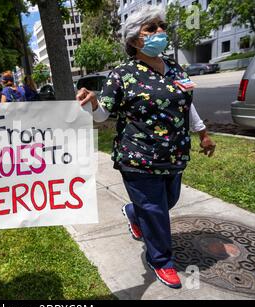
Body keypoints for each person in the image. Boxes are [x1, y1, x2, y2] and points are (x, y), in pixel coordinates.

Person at [76, 5, 216, 289]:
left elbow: (185, 105)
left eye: (161, 26)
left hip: (174, 153)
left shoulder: (176, 68)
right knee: (155, 210)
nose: (160, 32)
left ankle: (133, 212)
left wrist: (202, 133)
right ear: (134, 40)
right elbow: (104, 115)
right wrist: (92, 102)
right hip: (137, 157)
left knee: (169, 201)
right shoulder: (122, 74)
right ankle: (161, 260)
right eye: (150, 29)